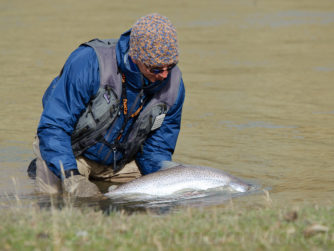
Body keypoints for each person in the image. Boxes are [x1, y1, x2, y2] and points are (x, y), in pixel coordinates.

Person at [30, 13, 185, 197]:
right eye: (156, 68)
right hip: (73, 153)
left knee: (155, 199)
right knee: (54, 201)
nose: (164, 75)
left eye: (170, 66)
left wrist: (168, 176)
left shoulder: (174, 86)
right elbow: (53, 126)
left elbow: (156, 149)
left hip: (120, 163)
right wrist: (72, 178)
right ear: (136, 58)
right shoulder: (88, 63)